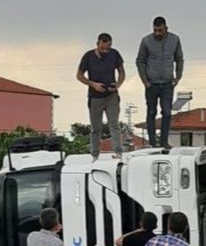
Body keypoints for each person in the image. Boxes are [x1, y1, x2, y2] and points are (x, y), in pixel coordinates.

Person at [136, 16, 184, 149]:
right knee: (151, 112)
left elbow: (179, 58)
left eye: (160, 30)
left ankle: (164, 142)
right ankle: (152, 142)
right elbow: (140, 61)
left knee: (167, 113)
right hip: (151, 83)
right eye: (155, 30)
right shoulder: (146, 41)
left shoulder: (175, 39)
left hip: (168, 83)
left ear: (166, 29)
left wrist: (178, 76)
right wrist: (144, 80)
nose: (157, 33)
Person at [77, 32, 125, 161]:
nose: (105, 51)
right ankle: (95, 154)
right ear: (97, 44)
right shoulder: (88, 56)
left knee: (114, 125)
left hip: (111, 95)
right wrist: (93, 84)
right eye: (103, 48)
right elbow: (79, 75)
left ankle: (118, 152)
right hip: (95, 97)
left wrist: (118, 85)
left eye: (108, 48)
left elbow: (121, 72)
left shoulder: (115, 54)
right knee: (95, 128)